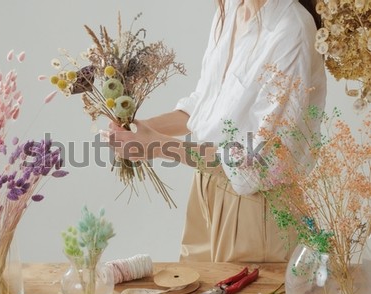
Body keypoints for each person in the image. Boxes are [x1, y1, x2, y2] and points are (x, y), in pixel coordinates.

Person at [109, 0, 327, 262]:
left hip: (256, 206)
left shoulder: (292, 29)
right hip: (205, 188)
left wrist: (158, 146)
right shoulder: (231, 10)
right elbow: (204, 105)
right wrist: (139, 130)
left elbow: (254, 165)